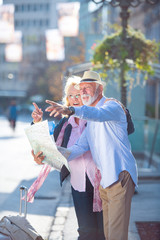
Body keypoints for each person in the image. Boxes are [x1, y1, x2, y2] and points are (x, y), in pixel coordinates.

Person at [44, 70, 138, 240]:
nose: (83, 91)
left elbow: (98, 114)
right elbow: (78, 148)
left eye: (88, 87)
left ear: (100, 89)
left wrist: (70, 109)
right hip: (105, 181)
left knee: (116, 234)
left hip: (120, 176)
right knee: (108, 234)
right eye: (82, 88)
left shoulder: (112, 106)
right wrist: (48, 153)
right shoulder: (91, 122)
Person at [31, 76, 105, 240]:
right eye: (70, 95)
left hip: (102, 182)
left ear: (87, 96)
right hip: (79, 184)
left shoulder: (98, 118)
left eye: (78, 95)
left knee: (105, 232)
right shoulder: (65, 125)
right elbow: (50, 146)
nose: (74, 99)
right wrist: (37, 122)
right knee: (86, 232)